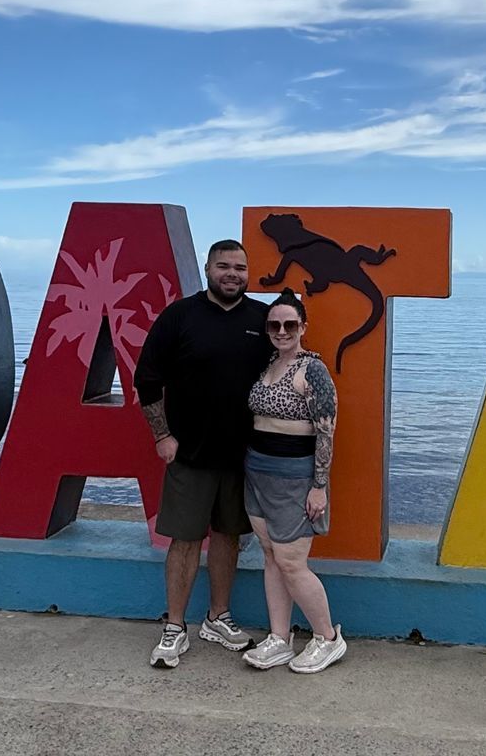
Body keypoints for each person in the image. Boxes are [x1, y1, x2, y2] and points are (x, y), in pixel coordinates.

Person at [135, 239, 272, 668]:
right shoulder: (180, 315)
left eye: (240, 268)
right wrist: (162, 435)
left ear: (249, 273)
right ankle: (175, 626)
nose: (232, 274)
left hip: (242, 456)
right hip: (190, 453)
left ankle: (218, 617)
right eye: (224, 266)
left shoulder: (262, 319)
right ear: (208, 269)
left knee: (229, 536)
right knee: (185, 538)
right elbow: (147, 379)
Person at [238, 289, 347, 674]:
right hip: (257, 476)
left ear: (302, 327)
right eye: (274, 324)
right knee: (270, 555)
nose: (282, 331)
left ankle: (327, 639)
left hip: (295, 480)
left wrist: (319, 485)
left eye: (290, 324)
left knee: (291, 561)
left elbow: (326, 432)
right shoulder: (268, 364)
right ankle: (280, 639)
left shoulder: (312, 370)